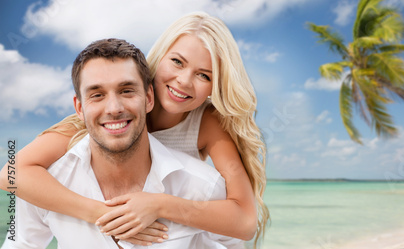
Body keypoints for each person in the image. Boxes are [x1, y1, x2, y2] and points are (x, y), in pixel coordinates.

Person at [0, 12, 268, 248]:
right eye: (177, 62)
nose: (184, 81)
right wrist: (100, 214)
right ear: (159, 58)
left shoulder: (207, 123)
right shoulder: (100, 121)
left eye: (204, 75)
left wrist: (159, 204)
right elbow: (10, 174)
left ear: (215, 87)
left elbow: (244, 221)